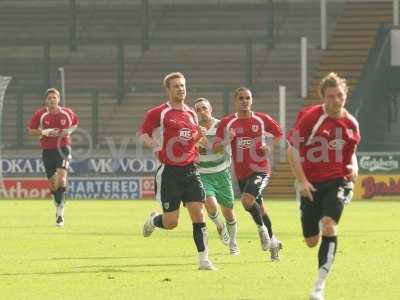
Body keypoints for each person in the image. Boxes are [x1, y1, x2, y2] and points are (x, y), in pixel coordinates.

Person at [286, 72, 360, 300]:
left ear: (345, 95)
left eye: (340, 95)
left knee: (329, 226)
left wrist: (355, 166)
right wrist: (302, 180)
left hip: (337, 180)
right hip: (309, 183)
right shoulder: (311, 118)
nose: (336, 100)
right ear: (322, 97)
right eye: (330, 96)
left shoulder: (351, 123)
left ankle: (319, 286)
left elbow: (351, 151)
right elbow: (292, 150)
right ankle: (312, 214)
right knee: (311, 241)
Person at [139, 72, 215, 271]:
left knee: (198, 214)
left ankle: (204, 260)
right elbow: (143, 133)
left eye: (182, 85)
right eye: (176, 86)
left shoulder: (191, 113)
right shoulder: (159, 113)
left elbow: (192, 139)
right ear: (168, 90)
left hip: (190, 170)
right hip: (169, 173)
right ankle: (154, 221)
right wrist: (153, 145)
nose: (181, 89)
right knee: (171, 222)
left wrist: (200, 136)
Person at [213, 87, 283, 261]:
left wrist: (270, 148)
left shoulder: (261, 119)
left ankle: (262, 232)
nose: (245, 101)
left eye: (248, 98)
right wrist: (227, 140)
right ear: (235, 101)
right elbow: (215, 148)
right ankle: (274, 243)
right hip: (242, 173)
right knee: (259, 207)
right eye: (241, 98)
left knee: (246, 201)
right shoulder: (227, 123)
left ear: (251, 100)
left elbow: (278, 133)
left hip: (260, 168)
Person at [194, 97, 239, 256]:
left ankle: (233, 243)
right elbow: (191, 150)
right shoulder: (194, 128)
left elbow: (220, 151)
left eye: (204, 108)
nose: (201, 112)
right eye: (198, 109)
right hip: (203, 174)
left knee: (229, 212)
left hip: (221, 173)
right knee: (210, 205)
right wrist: (196, 141)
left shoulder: (221, 126)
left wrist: (209, 144)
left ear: (210, 108)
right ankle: (220, 227)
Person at [27, 88, 79, 226]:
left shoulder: (67, 112)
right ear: (46, 100)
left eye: (54, 98)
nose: (52, 100)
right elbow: (30, 130)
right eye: (49, 98)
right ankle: (57, 206)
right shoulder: (40, 114)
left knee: (62, 179)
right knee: (53, 183)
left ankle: (60, 213)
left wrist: (68, 131)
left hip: (63, 148)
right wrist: (44, 131)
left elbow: (75, 124)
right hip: (47, 150)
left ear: (58, 99)